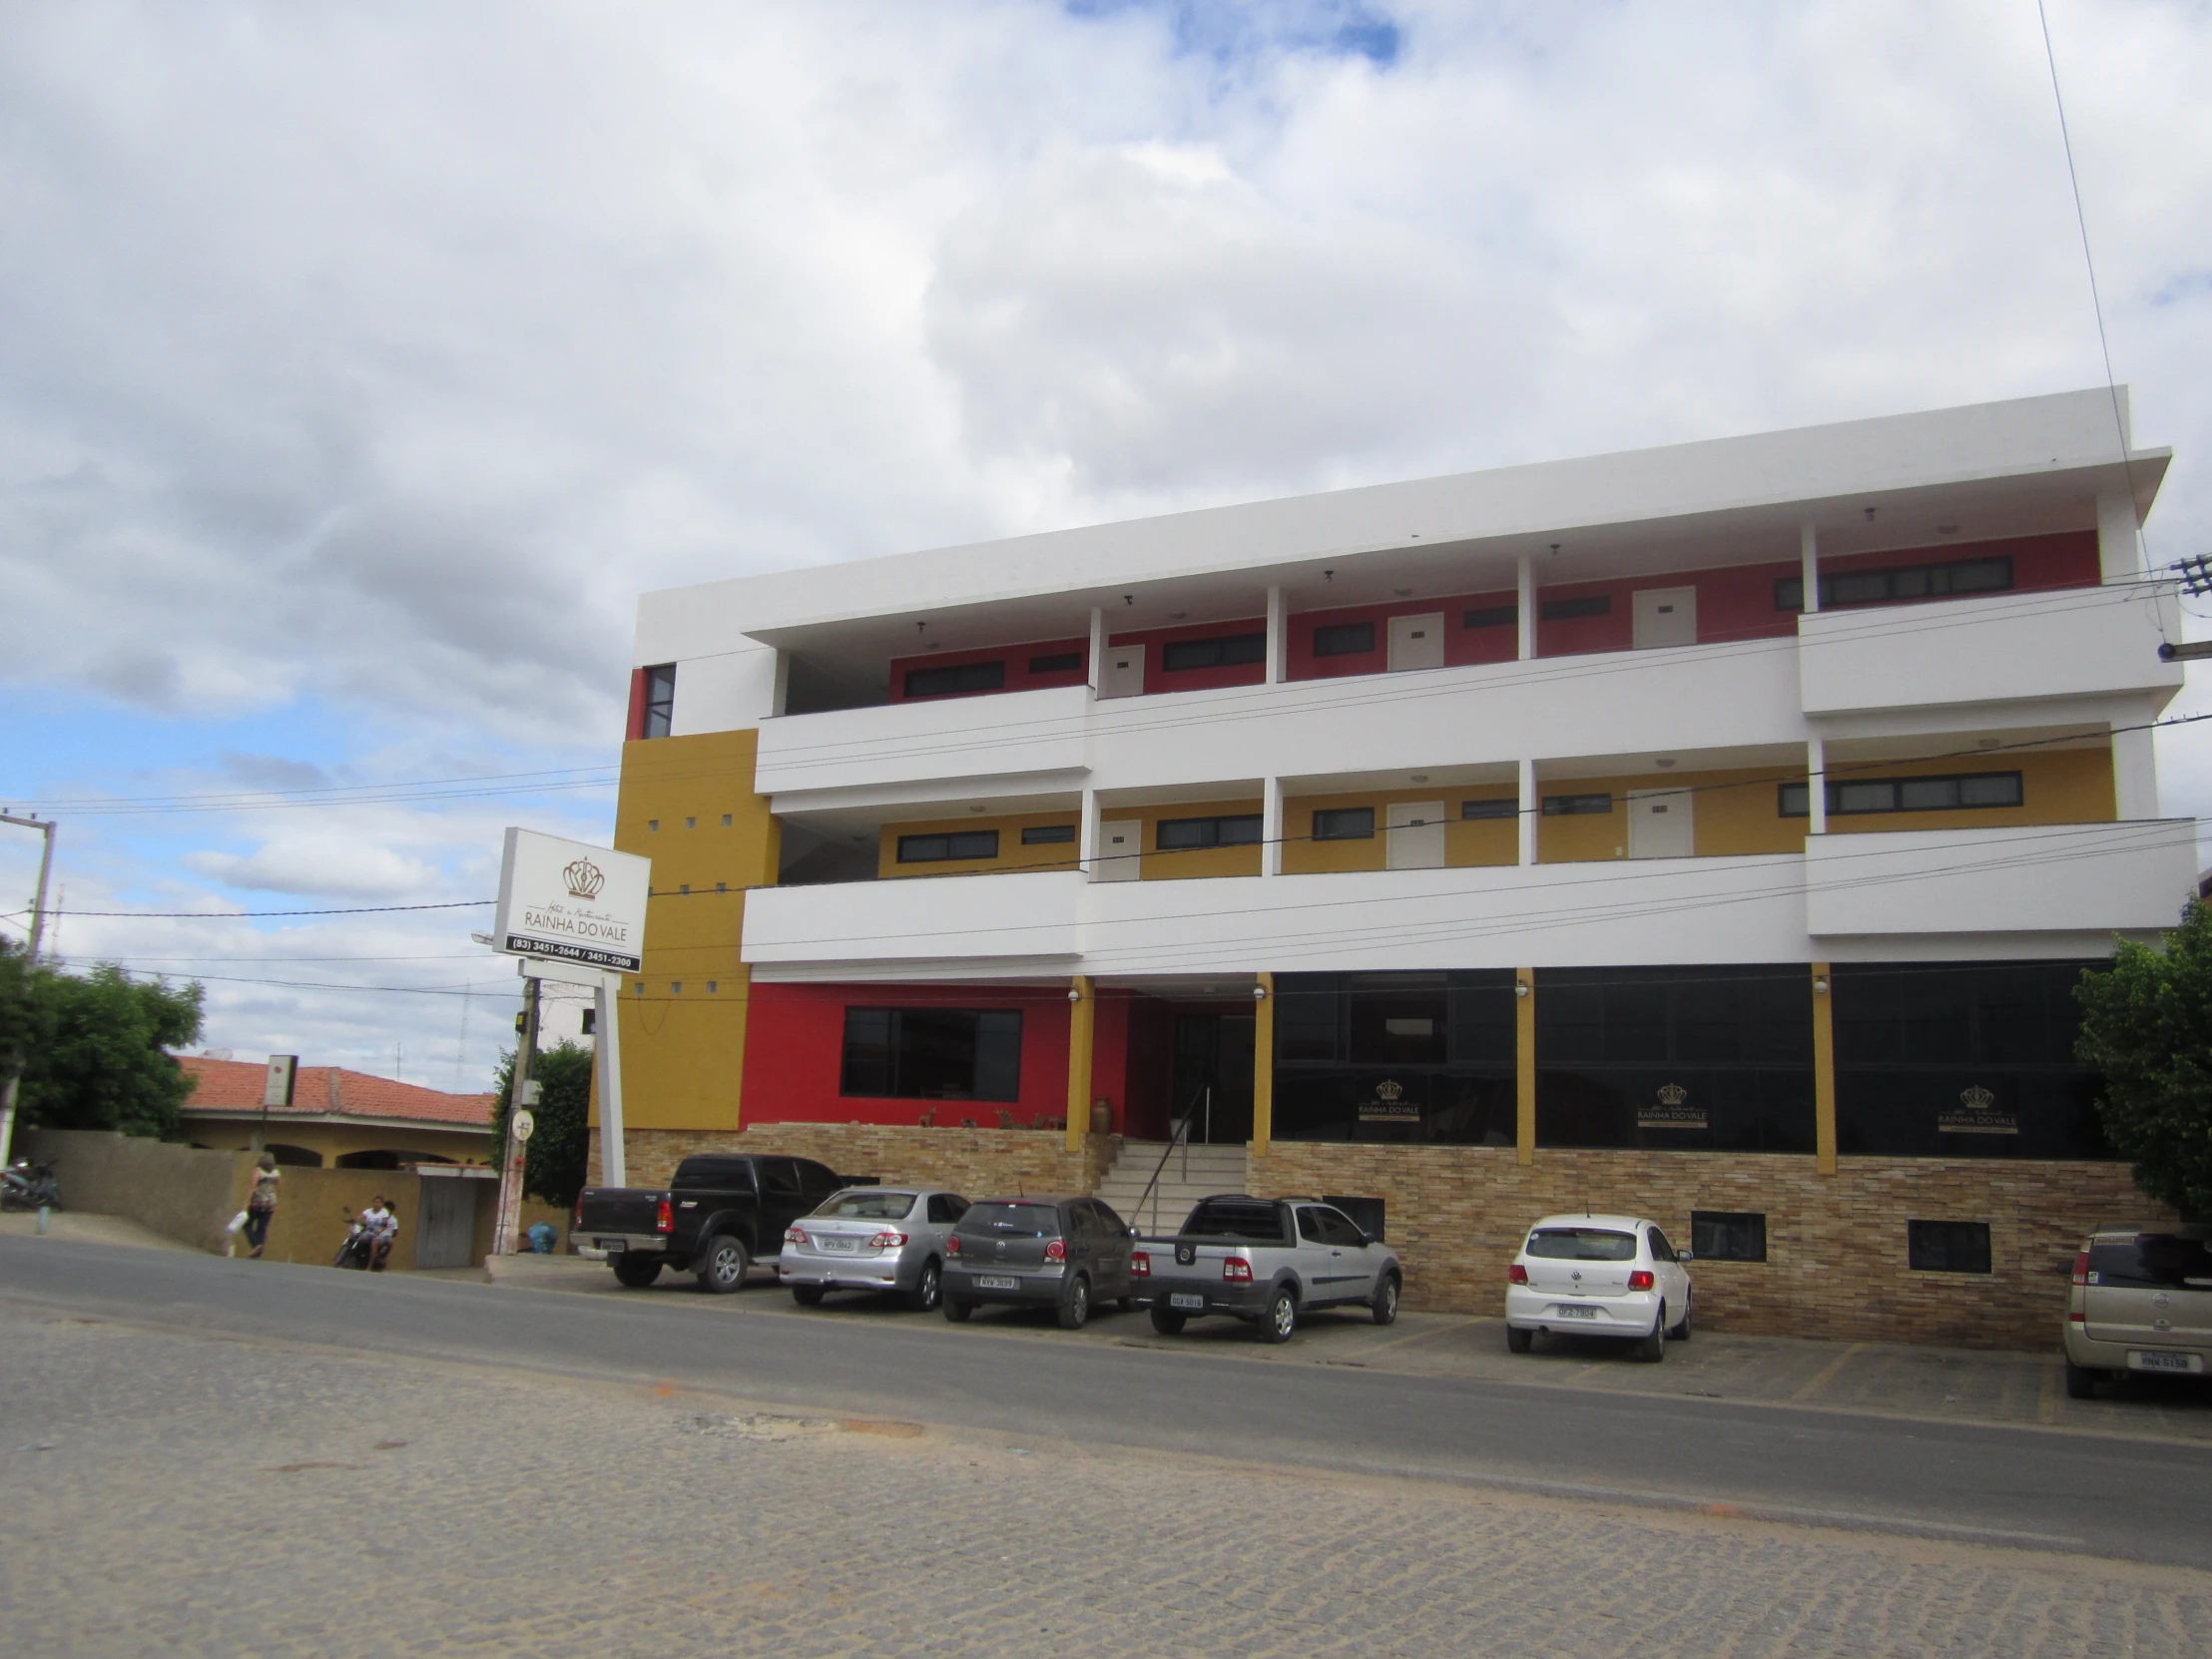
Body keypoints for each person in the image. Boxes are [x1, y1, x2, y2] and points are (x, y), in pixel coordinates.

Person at [244, 1153, 279, 1259]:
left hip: (258, 1202)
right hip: (270, 1203)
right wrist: (276, 1203)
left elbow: (253, 1186)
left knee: (247, 1224)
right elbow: (278, 1186)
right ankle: (258, 1251)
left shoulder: (257, 1171)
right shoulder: (276, 1172)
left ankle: (256, 1245)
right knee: (262, 1227)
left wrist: (246, 1202)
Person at [362, 1195, 399, 1272]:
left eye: (390, 1210)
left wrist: (390, 1235)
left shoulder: (393, 1220)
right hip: (377, 1235)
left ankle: (380, 1259)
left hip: (386, 1237)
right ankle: (368, 1262)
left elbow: (395, 1232)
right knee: (373, 1242)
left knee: (390, 1242)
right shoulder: (379, 1216)